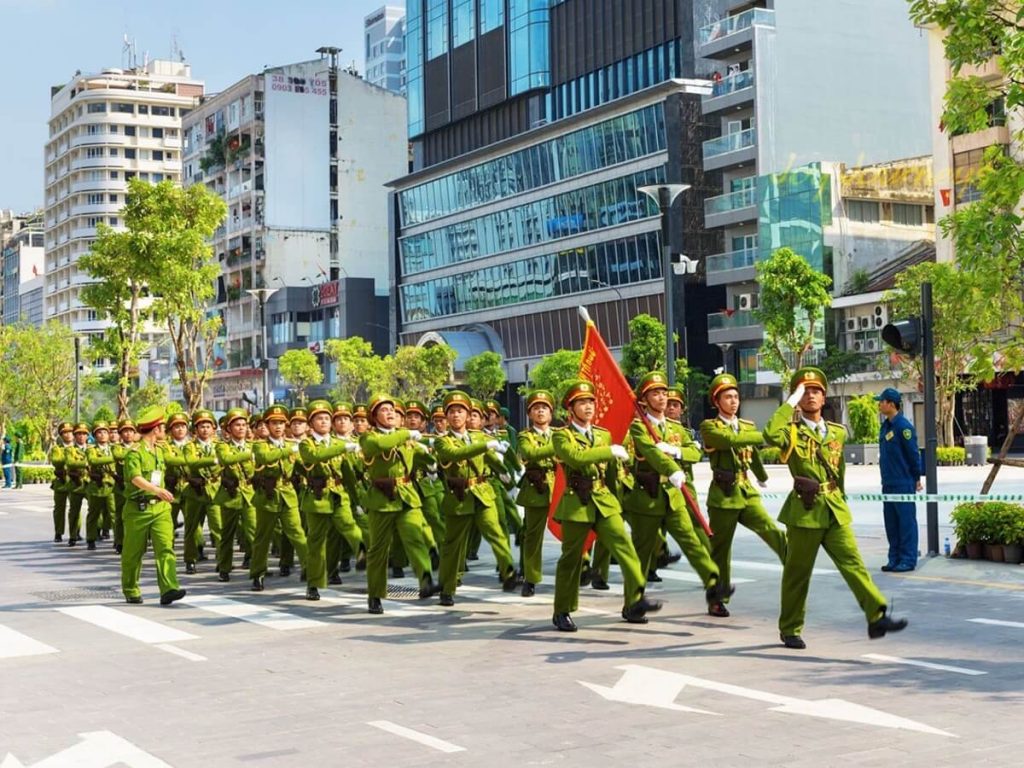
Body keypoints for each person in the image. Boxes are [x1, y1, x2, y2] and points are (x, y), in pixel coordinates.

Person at [764, 367, 907, 649]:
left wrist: (839, 498)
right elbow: (769, 434)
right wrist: (790, 403)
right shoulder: (791, 433)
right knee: (797, 573)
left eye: (815, 390)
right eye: (804, 392)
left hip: (833, 508)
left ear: (824, 395)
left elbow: (838, 471)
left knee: (853, 564)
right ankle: (790, 628)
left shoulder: (837, 433)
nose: (811, 396)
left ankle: (876, 614)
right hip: (804, 512)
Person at [550, 379, 660, 632]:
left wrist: (616, 500)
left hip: (604, 500)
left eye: (591, 402)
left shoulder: (603, 434)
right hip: (577, 502)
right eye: (582, 402)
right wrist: (609, 451)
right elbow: (576, 458)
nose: (588, 407)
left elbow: (610, 474)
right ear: (571, 408)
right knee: (571, 559)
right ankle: (562, 610)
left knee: (626, 549)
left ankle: (635, 601)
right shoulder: (561, 436)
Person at [625, 372, 729, 610]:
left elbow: (695, 452)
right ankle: (632, 602)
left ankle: (713, 583)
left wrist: (676, 451)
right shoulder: (639, 427)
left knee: (691, 541)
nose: (661, 398)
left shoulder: (675, 428)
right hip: (647, 497)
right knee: (642, 553)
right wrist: (672, 469)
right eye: (655, 393)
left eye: (663, 392)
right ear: (644, 399)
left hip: (673, 496)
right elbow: (650, 453)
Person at [700, 372, 786, 617]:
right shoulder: (710, 427)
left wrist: (762, 476)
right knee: (721, 550)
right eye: (727, 397)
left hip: (746, 491)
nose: (733, 401)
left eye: (736, 396)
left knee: (770, 529)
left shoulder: (746, 426)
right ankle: (717, 598)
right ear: (717, 402)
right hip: (723, 496)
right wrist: (767, 435)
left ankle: (793, 561)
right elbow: (730, 441)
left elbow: (753, 454)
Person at [299, 399, 365, 602]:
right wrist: (343, 449)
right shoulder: (306, 444)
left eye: (327, 418)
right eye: (319, 419)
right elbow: (316, 457)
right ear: (311, 424)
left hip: (338, 493)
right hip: (317, 498)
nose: (324, 422)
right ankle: (314, 584)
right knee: (316, 543)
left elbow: (349, 476)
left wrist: (358, 500)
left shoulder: (339, 444)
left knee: (349, 525)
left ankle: (362, 553)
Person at [121, 406, 186, 607]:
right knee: (133, 553)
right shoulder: (134, 453)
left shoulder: (160, 450)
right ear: (155, 429)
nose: (166, 431)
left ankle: (169, 589)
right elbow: (135, 478)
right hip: (137, 510)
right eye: (163, 427)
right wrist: (156, 490)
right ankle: (131, 588)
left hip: (160, 509)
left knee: (166, 548)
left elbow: (181, 460)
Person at [251, 404, 309, 591]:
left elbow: (304, 465)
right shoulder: (260, 446)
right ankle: (258, 573)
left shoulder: (292, 445)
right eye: (274, 423)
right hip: (267, 496)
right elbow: (266, 459)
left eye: (281, 423)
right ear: (267, 426)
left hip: (288, 494)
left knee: (298, 534)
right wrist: (290, 450)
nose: (278, 427)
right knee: (263, 537)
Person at [876, 387, 922, 572]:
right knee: (892, 524)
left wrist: (916, 477)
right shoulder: (886, 425)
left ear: (891, 403)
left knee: (906, 523)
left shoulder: (903, 427)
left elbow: (913, 454)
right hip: (888, 483)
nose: (879, 404)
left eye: (881, 401)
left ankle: (908, 559)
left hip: (903, 482)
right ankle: (894, 558)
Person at [517, 390, 557, 597]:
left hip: (559, 486)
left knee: (574, 529)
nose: (540, 411)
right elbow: (531, 454)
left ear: (551, 413)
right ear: (530, 414)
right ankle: (530, 578)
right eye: (536, 408)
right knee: (533, 535)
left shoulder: (559, 434)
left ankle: (583, 568)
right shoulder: (525, 436)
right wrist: (557, 448)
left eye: (545, 408)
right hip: (536, 488)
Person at [214, 408, 257, 582]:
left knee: (253, 532)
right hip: (230, 495)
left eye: (243, 424)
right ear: (229, 429)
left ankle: (257, 566)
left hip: (250, 493)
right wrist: (249, 455)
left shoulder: (253, 445)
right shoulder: (223, 446)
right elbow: (226, 459)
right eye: (236, 425)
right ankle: (224, 567)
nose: (241, 428)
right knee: (227, 534)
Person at [182, 410, 222, 574]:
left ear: (214, 429)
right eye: (201, 427)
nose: (205, 430)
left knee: (218, 528)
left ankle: (222, 559)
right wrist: (213, 460)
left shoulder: (220, 446)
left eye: (208, 426)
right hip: (195, 491)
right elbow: (191, 462)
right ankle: (190, 559)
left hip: (214, 489)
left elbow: (224, 464)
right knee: (191, 528)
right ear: (195, 430)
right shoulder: (189, 447)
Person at [84, 421, 117, 550]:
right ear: (95, 435)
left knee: (114, 514)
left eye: (105, 432)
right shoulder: (91, 450)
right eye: (99, 432)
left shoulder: (114, 448)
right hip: (97, 486)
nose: (102, 435)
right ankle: (91, 539)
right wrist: (113, 458)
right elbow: (93, 460)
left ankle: (118, 540)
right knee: (93, 514)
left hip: (112, 486)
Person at [49, 422, 76, 543]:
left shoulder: (78, 448)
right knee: (59, 508)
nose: (68, 435)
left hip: (75, 480)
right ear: (61, 435)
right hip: (61, 482)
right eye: (65, 432)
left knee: (75, 508)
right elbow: (56, 461)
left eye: (70, 432)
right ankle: (58, 532)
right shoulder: (57, 449)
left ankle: (75, 532)